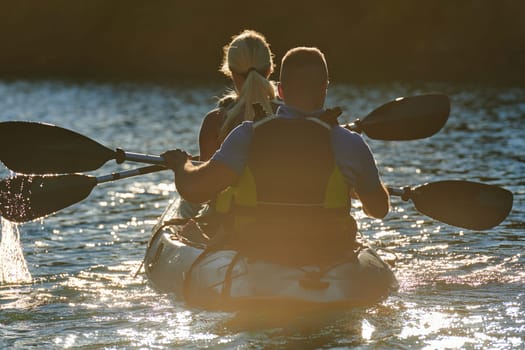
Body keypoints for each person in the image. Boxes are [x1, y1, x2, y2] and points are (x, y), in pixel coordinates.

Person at [163, 47, 389, 265]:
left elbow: (195, 191)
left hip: (257, 253)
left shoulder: (246, 135)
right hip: (327, 254)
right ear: (324, 88)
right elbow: (379, 209)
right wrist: (356, 185)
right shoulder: (350, 143)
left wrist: (181, 165)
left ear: (280, 90)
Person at [199, 29, 279, 161]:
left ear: (230, 71)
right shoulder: (290, 114)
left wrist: (182, 165)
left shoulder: (214, 122)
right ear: (270, 69)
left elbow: (203, 181)